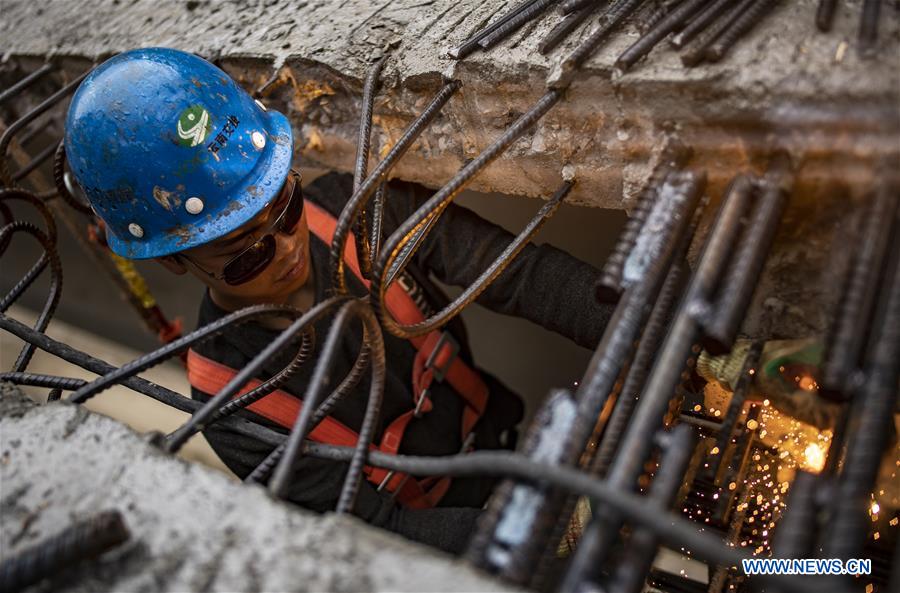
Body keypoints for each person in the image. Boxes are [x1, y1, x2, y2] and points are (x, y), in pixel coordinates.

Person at [65, 47, 614, 554]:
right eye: (247, 253)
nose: (287, 250)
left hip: (501, 438)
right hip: (438, 546)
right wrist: (543, 530)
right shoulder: (234, 407)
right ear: (173, 260)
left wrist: (638, 325)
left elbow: (520, 274)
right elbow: (378, 533)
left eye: (285, 209)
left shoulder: (361, 213)